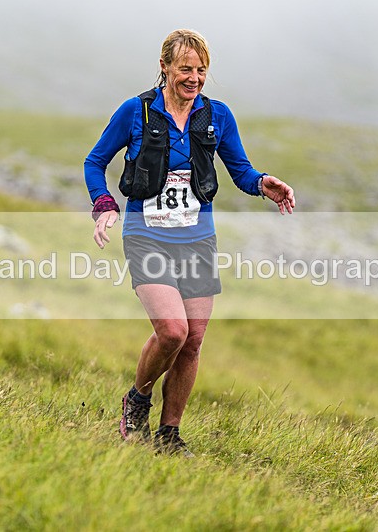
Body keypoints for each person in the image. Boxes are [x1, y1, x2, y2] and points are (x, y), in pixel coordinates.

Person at [84, 29, 295, 457]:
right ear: (164, 67)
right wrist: (105, 203)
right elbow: (95, 162)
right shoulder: (136, 112)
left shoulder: (217, 115)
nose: (194, 77)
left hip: (198, 239)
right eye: (185, 69)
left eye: (201, 70)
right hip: (147, 235)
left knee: (194, 339)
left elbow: (240, 169)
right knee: (172, 331)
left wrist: (261, 184)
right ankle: (136, 402)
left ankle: (169, 435)